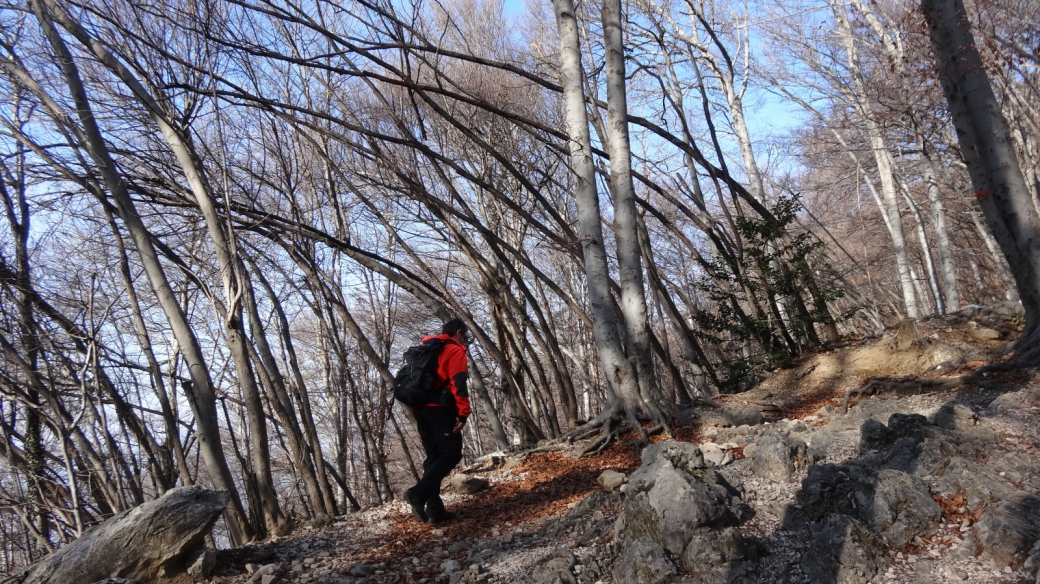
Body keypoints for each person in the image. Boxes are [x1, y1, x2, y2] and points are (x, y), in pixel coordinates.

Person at [403, 319, 471, 524]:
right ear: (458, 332)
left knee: (433, 458)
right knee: (451, 454)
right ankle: (418, 494)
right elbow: (458, 383)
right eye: (464, 336)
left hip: (419, 409)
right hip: (440, 410)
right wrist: (463, 413)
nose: (465, 340)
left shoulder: (428, 349)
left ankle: (434, 510)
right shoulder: (454, 350)